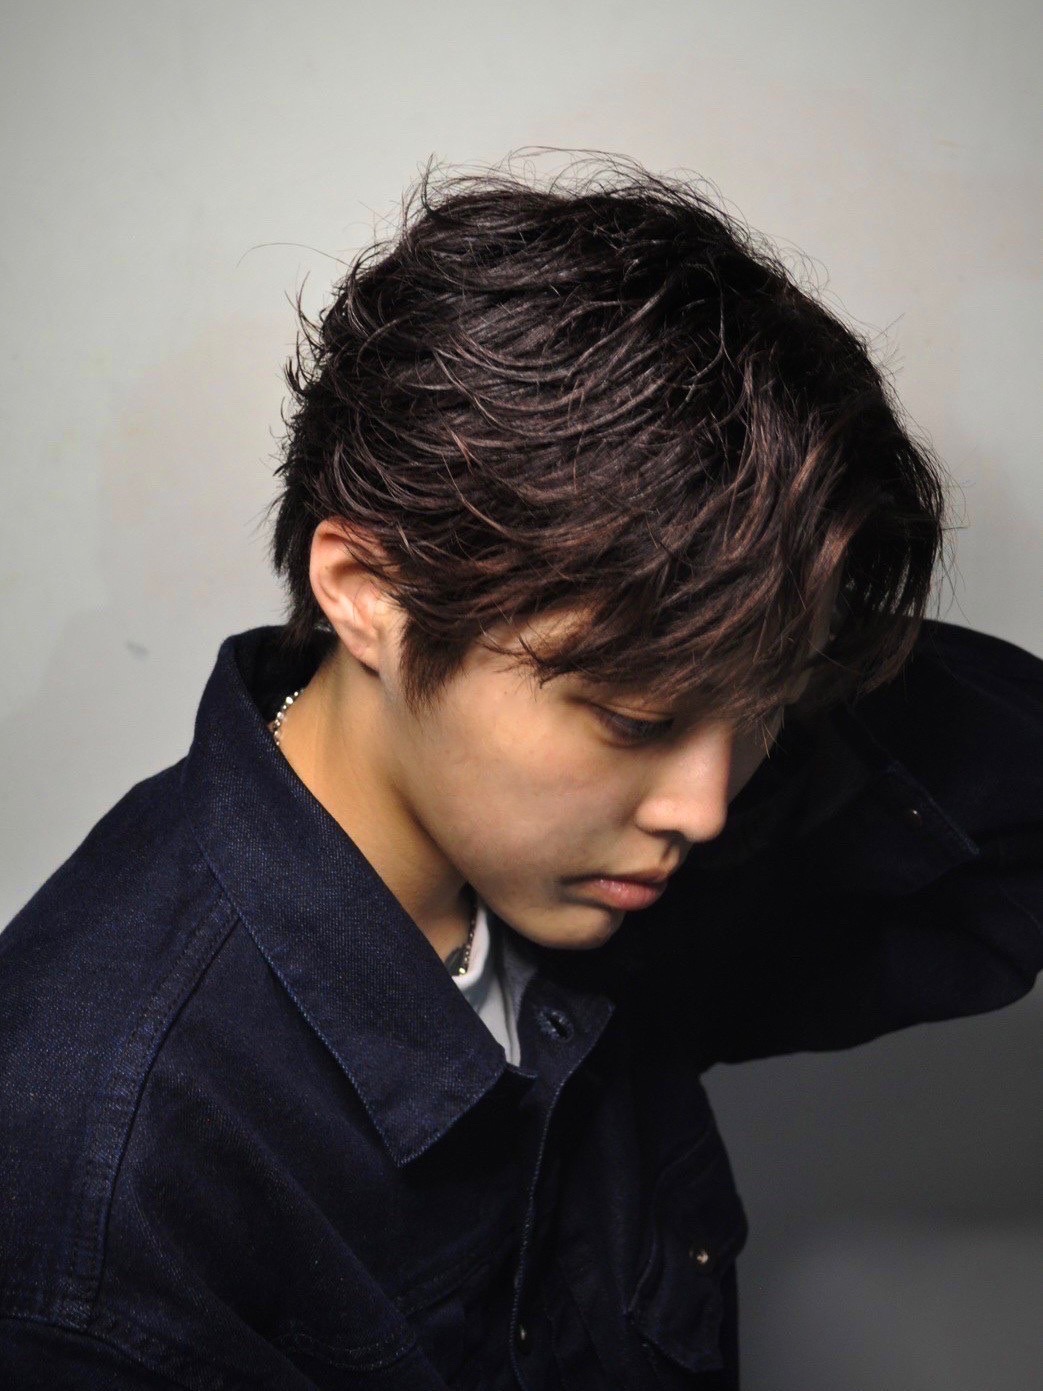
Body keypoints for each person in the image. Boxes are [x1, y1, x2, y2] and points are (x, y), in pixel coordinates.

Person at [1, 154, 1040, 1390]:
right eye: (631, 716)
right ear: (367, 593)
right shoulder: (100, 1174)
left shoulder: (579, 851)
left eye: (767, 710)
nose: (705, 808)